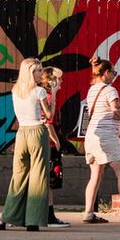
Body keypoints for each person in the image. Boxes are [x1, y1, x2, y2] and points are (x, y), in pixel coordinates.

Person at [81, 56, 120, 225]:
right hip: (107, 135)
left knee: (95, 175)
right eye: (114, 72)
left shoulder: (92, 89)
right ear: (106, 73)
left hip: (92, 135)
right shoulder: (110, 90)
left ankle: (88, 212)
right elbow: (116, 115)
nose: (115, 76)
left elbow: (107, 112)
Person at [0, 58, 52, 232]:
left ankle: (5, 218)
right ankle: (33, 220)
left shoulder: (15, 91)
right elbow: (49, 114)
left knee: (18, 177)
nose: (41, 74)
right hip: (36, 132)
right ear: (30, 73)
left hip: (21, 134)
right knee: (38, 177)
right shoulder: (40, 91)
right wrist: (54, 93)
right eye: (38, 71)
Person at [40, 67, 69, 228]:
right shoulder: (48, 97)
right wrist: (56, 140)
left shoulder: (46, 96)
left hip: (46, 142)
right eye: (59, 79)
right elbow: (48, 121)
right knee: (50, 179)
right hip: (49, 144)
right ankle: (49, 215)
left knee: (48, 180)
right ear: (52, 81)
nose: (62, 81)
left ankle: (48, 214)